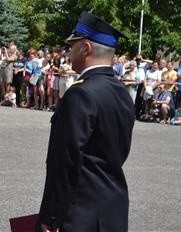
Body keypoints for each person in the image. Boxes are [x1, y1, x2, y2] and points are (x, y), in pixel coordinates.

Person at [37, 12, 135, 232]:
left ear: (86, 48)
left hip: (79, 213)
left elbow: (65, 161)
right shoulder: (121, 92)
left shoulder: (81, 94)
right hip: (112, 209)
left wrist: (51, 215)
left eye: (73, 46)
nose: (69, 51)